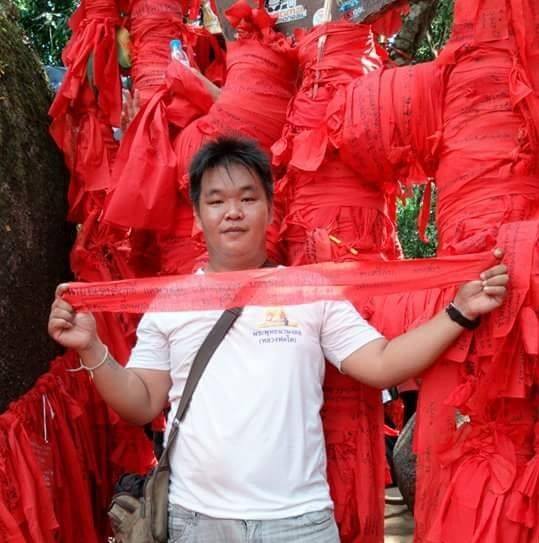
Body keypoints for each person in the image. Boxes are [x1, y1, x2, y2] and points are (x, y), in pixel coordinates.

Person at [48, 136, 509, 543]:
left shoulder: (309, 291)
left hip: (299, 522)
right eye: (216, 201)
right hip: (198, 522)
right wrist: (91, 348)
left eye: (247, 198)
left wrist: (459, 313)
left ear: (269, 208)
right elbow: (141, 403)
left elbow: (382, 362)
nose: (232, 212)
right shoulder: (171, 302)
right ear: (198, 216)